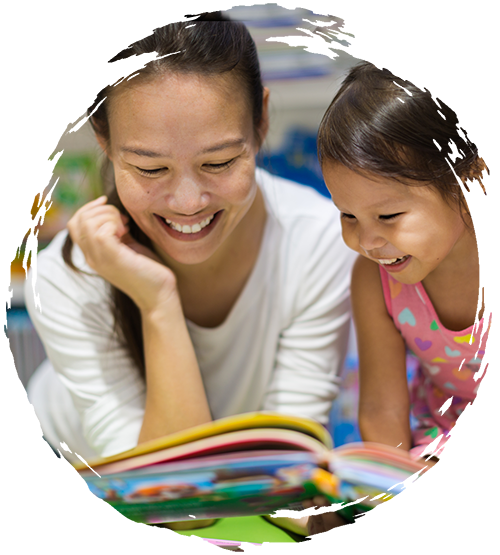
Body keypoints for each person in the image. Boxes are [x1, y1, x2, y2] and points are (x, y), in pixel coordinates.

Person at [24, 20, 355, 535]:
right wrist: (157, 302)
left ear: (262, 120)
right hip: (73, 460)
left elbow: (284, 475)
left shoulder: (316, 244)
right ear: (104, 141)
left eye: (218, 162)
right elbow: (181, 504)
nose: (187, 203)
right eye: (150, 169)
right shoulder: (64, 279)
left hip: (228, 480)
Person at [306, 62, 492, 545]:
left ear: (471, 180)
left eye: (388, 215)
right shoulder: (376, 282)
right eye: (347, 215)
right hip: (447, 444)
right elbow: (384, 412)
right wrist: (393, 500)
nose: (367, 240)